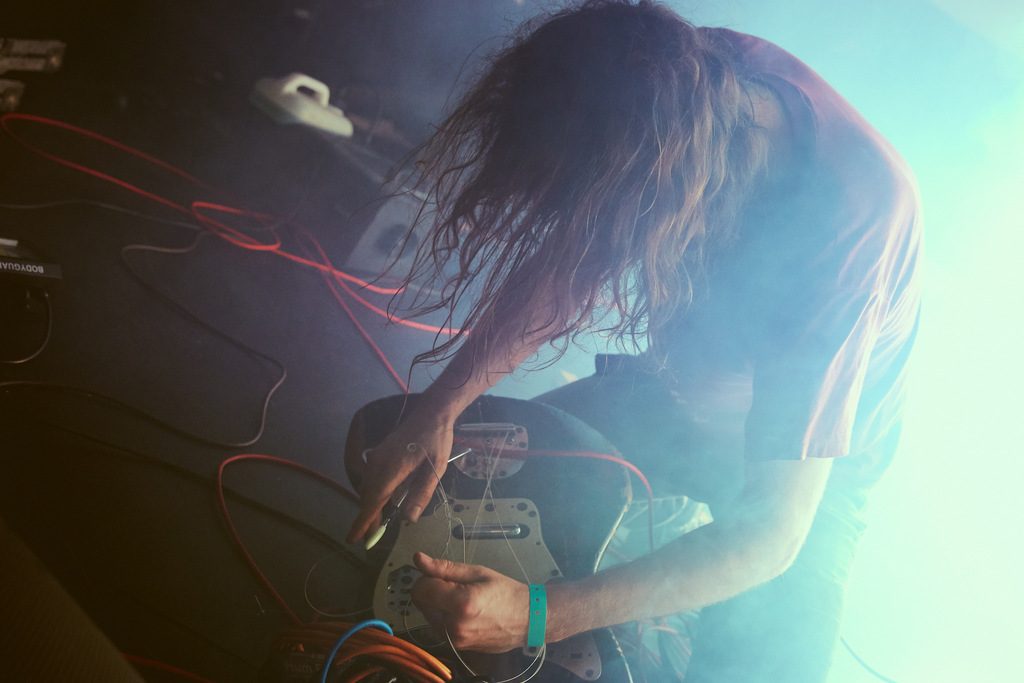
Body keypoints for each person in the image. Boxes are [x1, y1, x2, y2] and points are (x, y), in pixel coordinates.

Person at [345, 1, 922, 681]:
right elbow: (574, 257)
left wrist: (538, 615)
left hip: (808, 471)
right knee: (457, 481)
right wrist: (442, 404)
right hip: (667, 398)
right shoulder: (686, 76)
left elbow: (772, 531)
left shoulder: (848, 226)